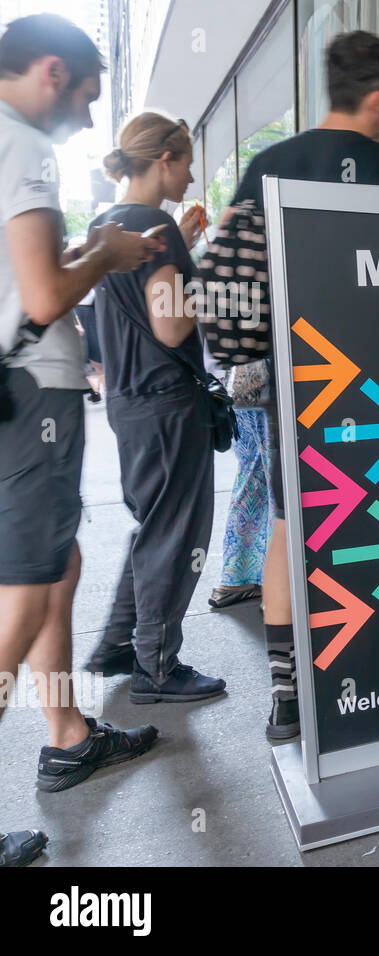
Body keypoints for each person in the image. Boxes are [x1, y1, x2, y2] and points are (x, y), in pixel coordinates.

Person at [0, 13, 162, 866]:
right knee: (25, 589)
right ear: (54, 71)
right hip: (36, 392)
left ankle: (66, 731)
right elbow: (42, 295)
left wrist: (83, 248)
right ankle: (61, 731)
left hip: (16, 390)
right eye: (91, 94)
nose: (92, 119)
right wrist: (103, 251)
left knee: (53, 567)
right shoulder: (23, 146)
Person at [228, 30, 379, 740]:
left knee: (290, 522)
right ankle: (370, 669)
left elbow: (233, 270)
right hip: (376, 380)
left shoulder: (271, 163)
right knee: (375, 515)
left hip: (292, 372)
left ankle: (287, 692)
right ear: (378, 97)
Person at [81, 112, 225, 703]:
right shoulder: (155, 228)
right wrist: (203, 275)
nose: (192, 175)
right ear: (165, 158)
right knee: (176, 533)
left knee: (154, 528)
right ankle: (157, 667)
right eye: (188, 161)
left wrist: (181, 249)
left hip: (129, 402)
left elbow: (129, 316)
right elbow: (170, 327)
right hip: (169, 403)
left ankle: (121, 644)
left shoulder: (106, 224)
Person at [209, 359, 273, 609]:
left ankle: (236, 577)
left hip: (238, 387)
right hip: (272, 386)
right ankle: (279, 588)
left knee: (251, 477)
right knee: (280, 482)